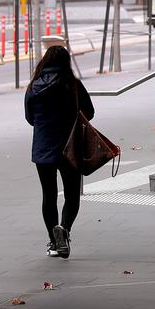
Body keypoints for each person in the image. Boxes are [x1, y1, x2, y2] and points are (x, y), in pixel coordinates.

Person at [24, 45, 93, 259]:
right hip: (69, 148)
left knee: (49, 195)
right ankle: (64, 229)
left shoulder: (33, 86)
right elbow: (89, 112)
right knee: (72, 195)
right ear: (66, 63)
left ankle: (54, 243)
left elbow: (29, 118)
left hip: (43, 148)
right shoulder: (73, 85)